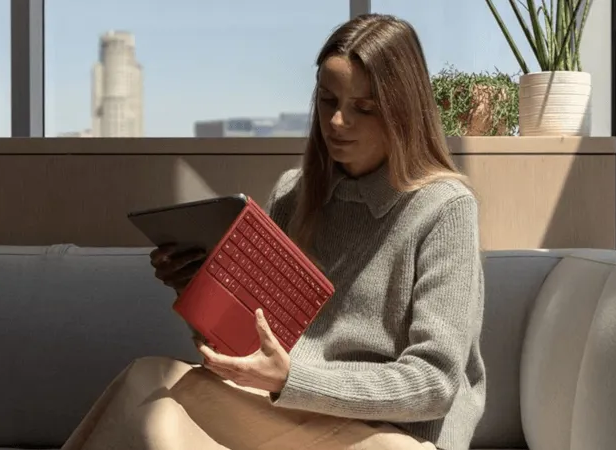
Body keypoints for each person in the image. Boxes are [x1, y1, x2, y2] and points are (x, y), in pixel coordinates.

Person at [61, 13, 485, 450]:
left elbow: (434, 383)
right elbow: (251, 346)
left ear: (403, 110)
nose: (337, 122)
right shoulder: (293, 194)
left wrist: (293, 379)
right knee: (148, 378)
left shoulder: (444, 209)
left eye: (364, 108)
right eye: (327, 100)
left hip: (386, 436)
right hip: (282, 412)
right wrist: (201, 290)